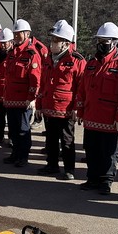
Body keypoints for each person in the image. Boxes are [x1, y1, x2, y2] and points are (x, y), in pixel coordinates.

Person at [76, 22, 118, 193]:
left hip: (110, 120)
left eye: (105, 41)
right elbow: (82, 90)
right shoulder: (91, 63)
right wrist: (81, 111)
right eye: (99, 40)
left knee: (108, 152)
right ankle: (92, 179)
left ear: (114, 42)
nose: (101, 44)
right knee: (91, 150)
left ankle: (105, 181)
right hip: (91, 117)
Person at [37, 20, 85, 180]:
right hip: (49, 107)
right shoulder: (48, 59)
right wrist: (39, 105)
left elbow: (81, 87)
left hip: (66, 109)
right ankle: (52, 165)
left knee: (66, 140)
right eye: (52, 39)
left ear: (66, 43)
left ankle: (69, 169)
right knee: (50, 139)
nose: (52, 43)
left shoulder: (77, 61)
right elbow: (43, 84)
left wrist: (77, 108)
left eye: (56, 40)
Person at [4, 18, 42, 167]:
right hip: (11, 99)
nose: (16, 36)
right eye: (15, 33)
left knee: (23, 129)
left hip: (24, 100)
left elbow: (35, 79)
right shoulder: (12, 53)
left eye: (19, 33)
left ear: (27, 34)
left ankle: (23, 156)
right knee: (13, 129)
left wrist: (32, 98)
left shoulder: (32, 54)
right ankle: (15, 154)